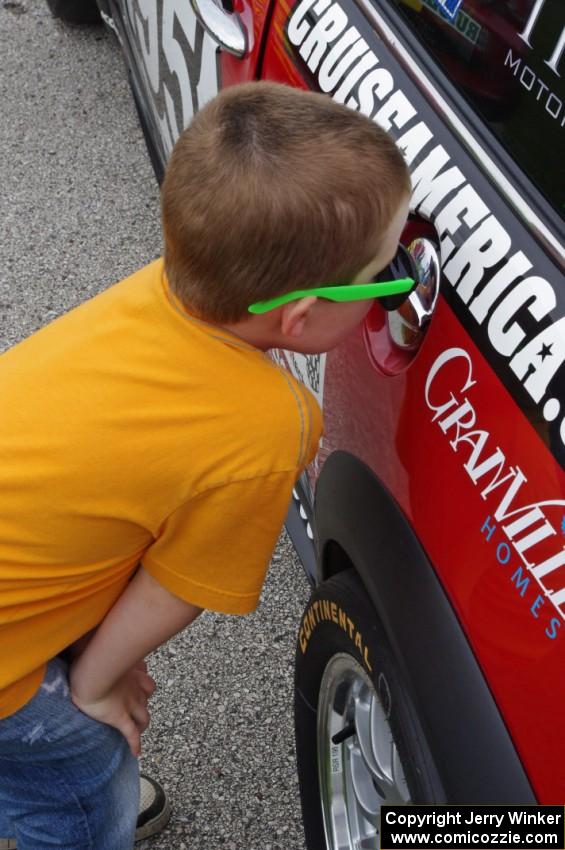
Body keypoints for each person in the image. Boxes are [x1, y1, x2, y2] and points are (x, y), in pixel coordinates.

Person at [0, 81, 411, 849]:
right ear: (302, 317)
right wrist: (94, 686)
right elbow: (173, 586)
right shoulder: (266, 424)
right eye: (391, 274)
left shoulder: (157, 291)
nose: (401, 286)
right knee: (82, 778)